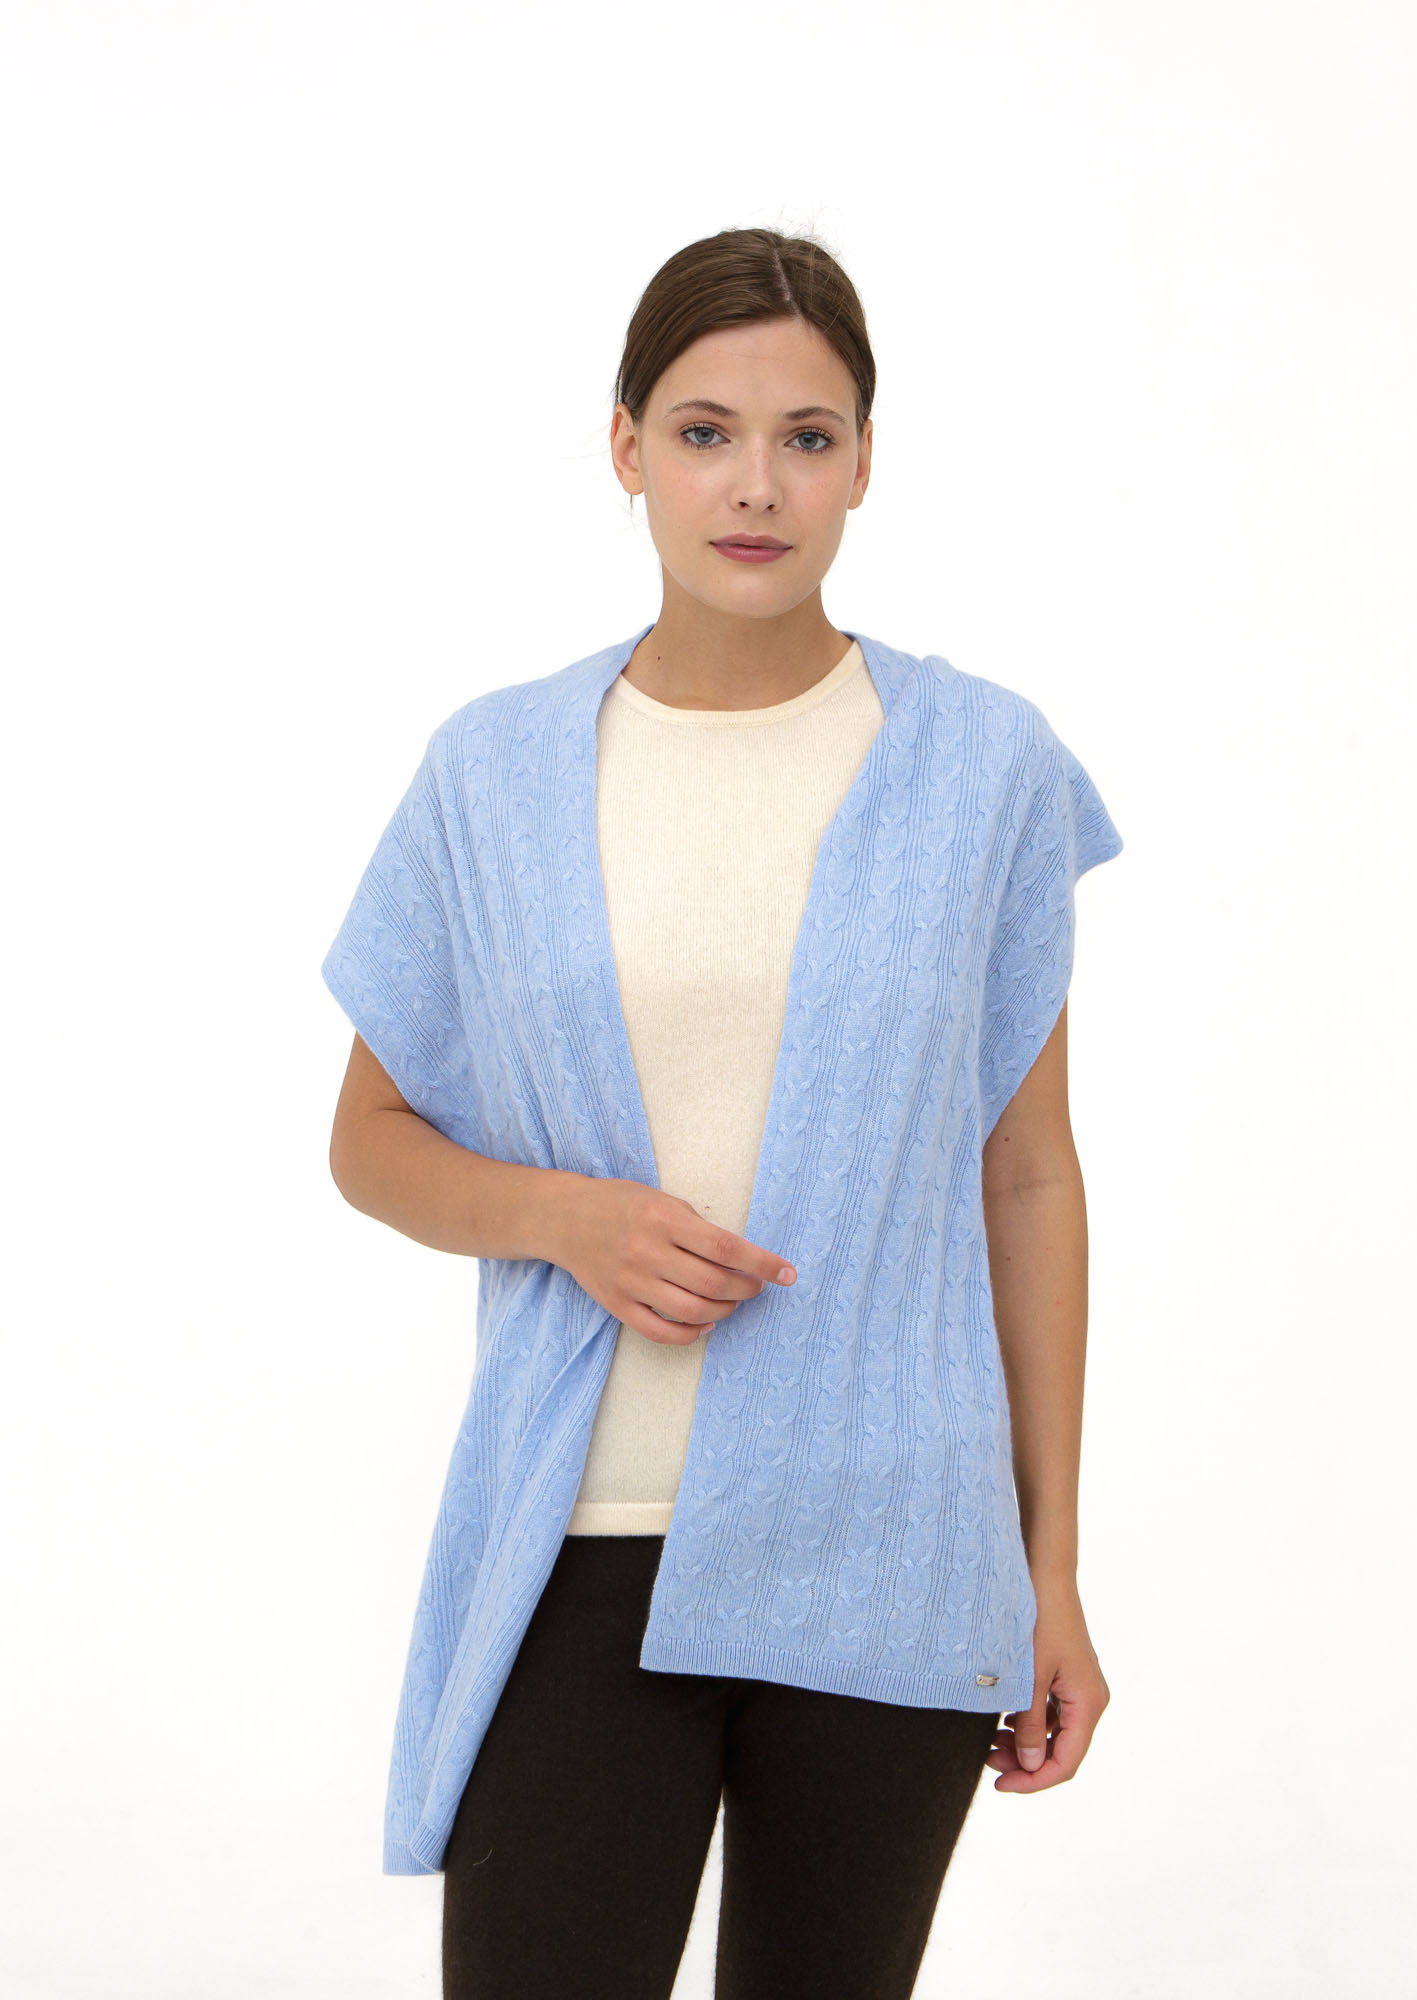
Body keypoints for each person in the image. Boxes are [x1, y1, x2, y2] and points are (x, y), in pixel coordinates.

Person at [323, 225, 1122, 2000]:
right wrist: (567, 1219)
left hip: (895, 1539)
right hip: (582, 1540)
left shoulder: (984, 767)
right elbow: (369, 1137)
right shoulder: (495, 770)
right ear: (626, 448)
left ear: (864, 462)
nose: (756, 485)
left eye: (806, 437)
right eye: (704, 433)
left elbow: (1026, 1178)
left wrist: (1051, 1567)